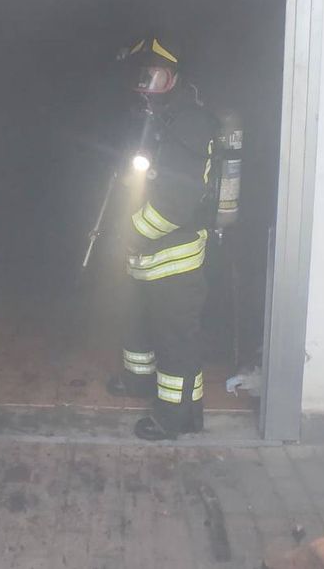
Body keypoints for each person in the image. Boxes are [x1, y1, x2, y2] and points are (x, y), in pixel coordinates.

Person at [105, 35, 218, 441]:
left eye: (154, 77)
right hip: (143, 255)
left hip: (175, 258)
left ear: (174, 79)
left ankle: (178, 417)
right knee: (137, 324)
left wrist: (130, 233)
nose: (145, 87)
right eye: (141, 77)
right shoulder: (152, 117)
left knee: (176, 341)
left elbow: (176, 203)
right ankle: (138, 382)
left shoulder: (190, 124)